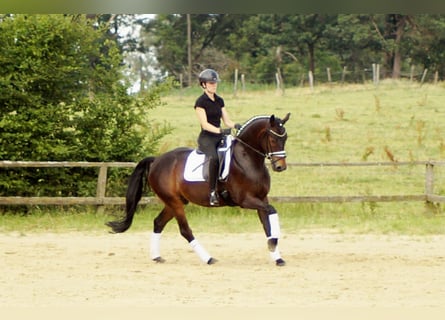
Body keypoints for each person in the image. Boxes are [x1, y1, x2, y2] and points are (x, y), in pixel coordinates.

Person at [194, 69, 241, 206]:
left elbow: (227, 121)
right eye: (211, 83)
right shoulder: (200, 102)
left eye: (215, 83)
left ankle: (226, 187)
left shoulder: (219, 100)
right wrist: (220, 130)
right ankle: (212, 192)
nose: (214, 85)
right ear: (203, 85)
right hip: (207, 138)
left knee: (232, 154)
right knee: (214, 158)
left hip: (219, 137)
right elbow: (205, 124)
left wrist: (236, 125)